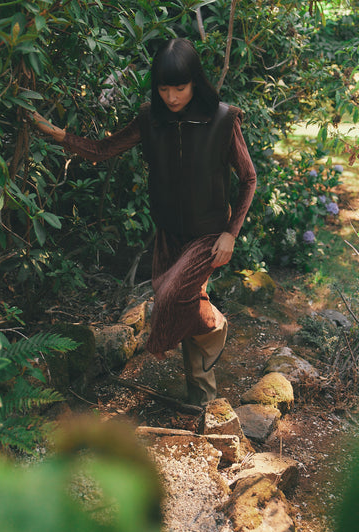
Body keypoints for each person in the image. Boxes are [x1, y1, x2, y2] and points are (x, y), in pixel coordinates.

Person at [30, 38, 257, 407]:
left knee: (168, 297)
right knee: (182, 304)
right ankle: (203, 399)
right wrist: (56, 133)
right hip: (169, 231)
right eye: (164, 88)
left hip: (209, 233)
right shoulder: (151, 119)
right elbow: (104, 150)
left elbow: (248, 178)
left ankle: (216, 326)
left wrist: (231, 234)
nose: (171, 96)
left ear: (195, 82)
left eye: (179, 87)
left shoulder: (223, 119)